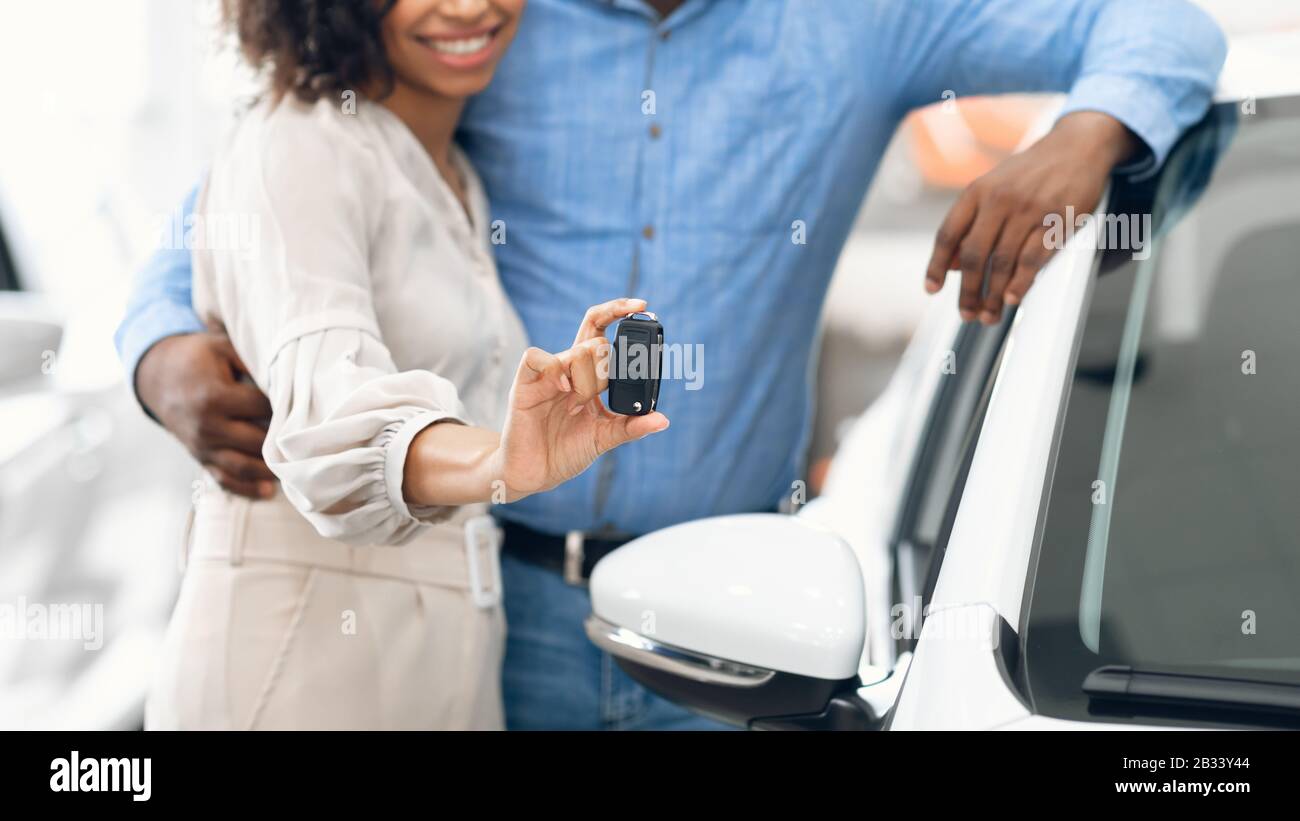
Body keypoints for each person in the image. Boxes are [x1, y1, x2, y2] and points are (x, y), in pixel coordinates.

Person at [118, 0, 1226, 730]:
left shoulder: (859, 22)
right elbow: (252, 201)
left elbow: (1157, 26)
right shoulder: (481, 20)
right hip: (501, 601)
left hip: (745, 630)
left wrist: (1085, 137)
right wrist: (161, 348)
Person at [143, 0, 669, 730]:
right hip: (300, 669)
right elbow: (332, 412)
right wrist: (503, 459)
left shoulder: (448, 170)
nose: (466, 6)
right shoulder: (299, 145)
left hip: (443, 663)